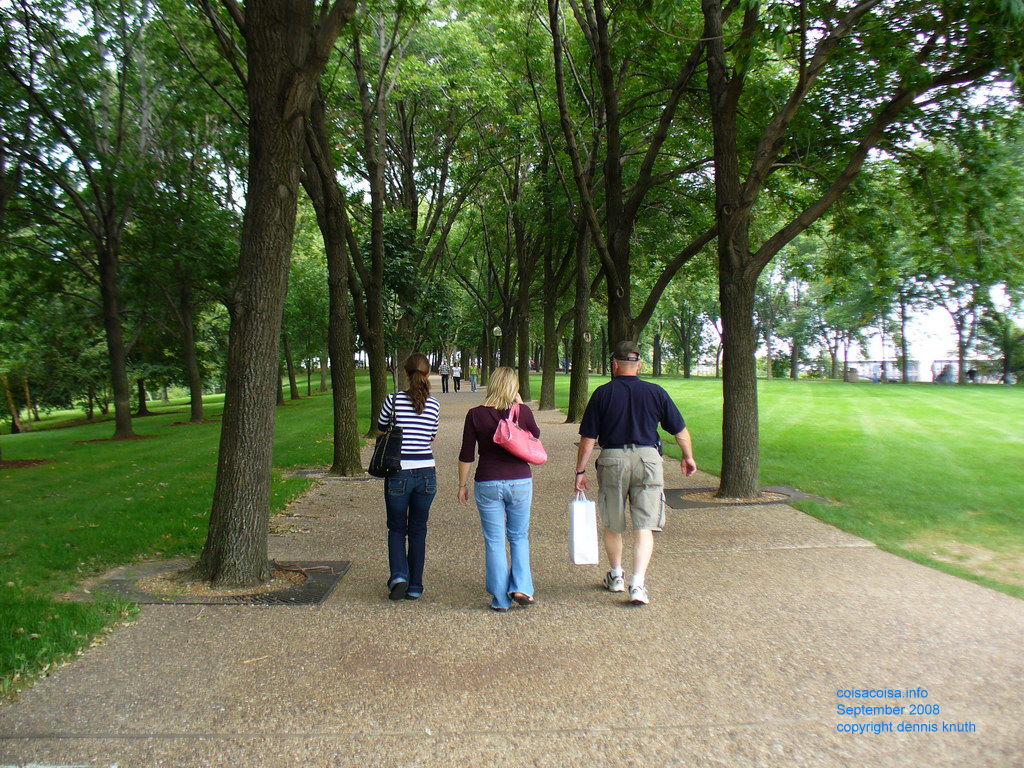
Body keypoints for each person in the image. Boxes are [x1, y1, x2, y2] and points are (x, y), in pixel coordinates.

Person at [574, 341, 697, 606]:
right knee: (645, 524)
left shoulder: (602, 393)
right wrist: (688, 456)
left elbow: (588, 439)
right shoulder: (655, 392)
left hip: (613, 459)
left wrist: (580, 471)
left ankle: (616, 575)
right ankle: (638, 584)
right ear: (638, 365)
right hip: (648, 459)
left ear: (615, 364)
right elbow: (679, 431)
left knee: (613, 522)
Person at [457, 366, 540, 612]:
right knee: (518, 535)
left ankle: (501, 599)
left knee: (494, 540)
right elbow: (535, 435)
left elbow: (466, 454)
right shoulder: (522, 411)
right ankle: (522, 587)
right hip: (520, 481)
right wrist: (521, 406)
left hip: (488, 481)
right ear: (514, 386)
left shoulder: (475, 414)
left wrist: (462, 484)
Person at [376, 353, 440, 601]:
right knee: (418, 530)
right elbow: (431, 436)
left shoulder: (392, 401)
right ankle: (415, 586)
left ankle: (399, 575)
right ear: (427, 373)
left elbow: (381, 429)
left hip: (398, 471)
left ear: (405, 373)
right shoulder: (434, 404)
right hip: (426, 473)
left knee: (396, 528)